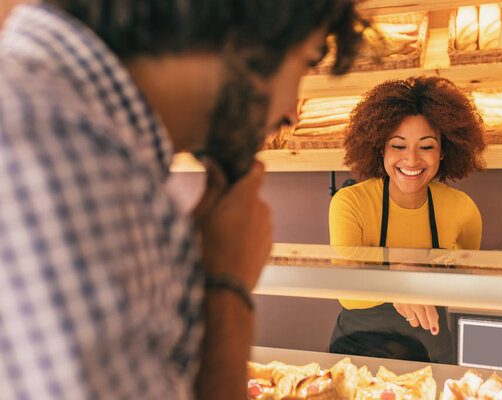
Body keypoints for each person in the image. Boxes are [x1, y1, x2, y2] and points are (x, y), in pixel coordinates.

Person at [0, 1, 364, 399]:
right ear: (248, 34)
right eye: (306, 63)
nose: (291, 114)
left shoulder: (59, 119)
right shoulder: (71, 155)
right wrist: (225, 282)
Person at [328, 76, 486, 364]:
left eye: (426, 146)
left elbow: (465, 286)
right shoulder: (350, 203)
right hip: (358, 353)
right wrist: (400, 278)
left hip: (432, 355)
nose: (411, 160)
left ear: (443, 150)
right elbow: (348, 292)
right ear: (380, 148)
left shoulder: (462, 209)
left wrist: (418, 278)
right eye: (398, 146)